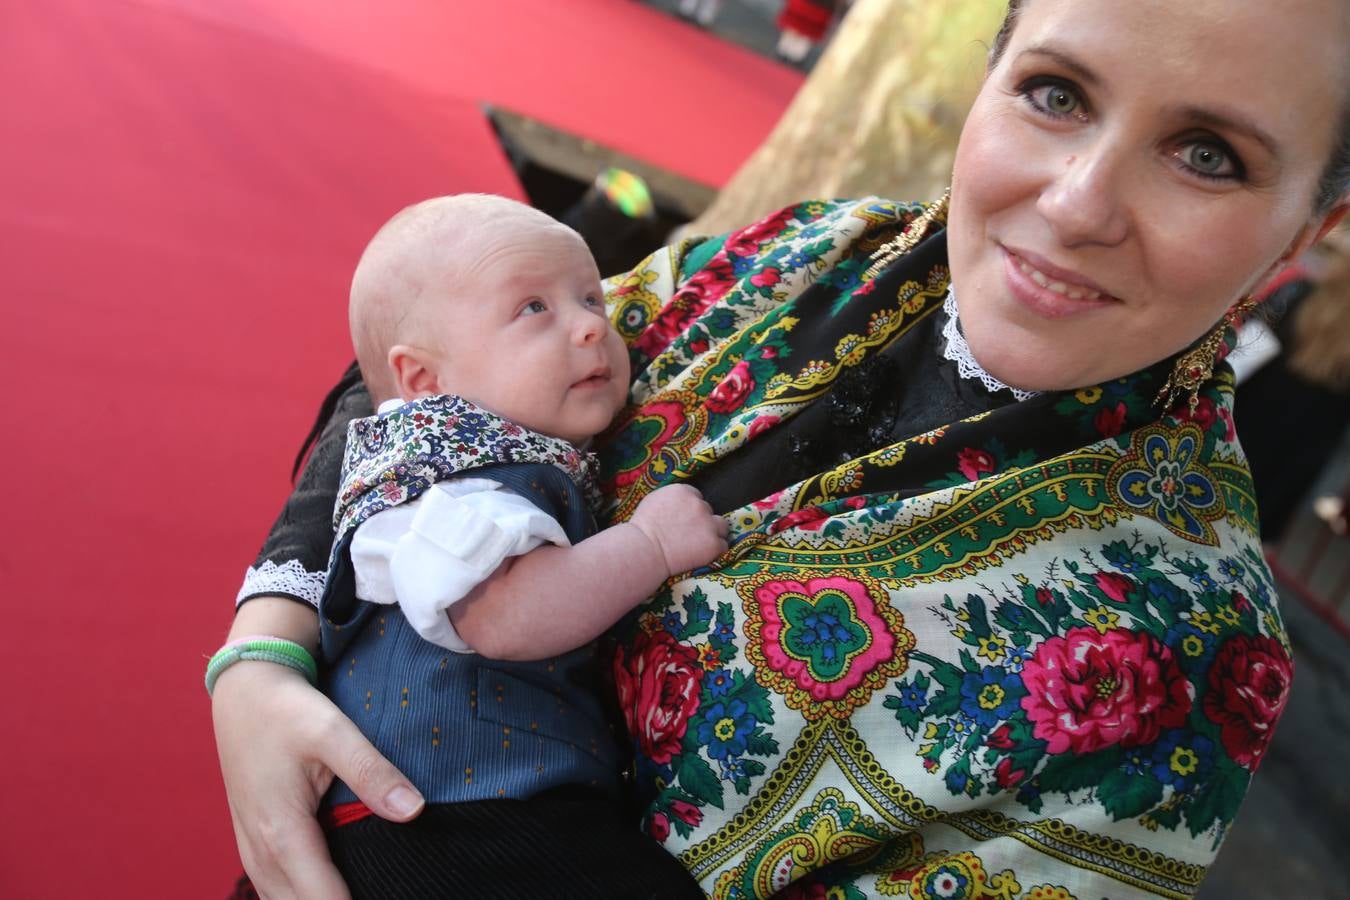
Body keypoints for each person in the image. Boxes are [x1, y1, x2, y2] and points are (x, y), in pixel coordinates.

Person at [210, 0, 1350, 897]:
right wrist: (266, 649)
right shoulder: (806, 252)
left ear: (1315, 225)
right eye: (1055, 93)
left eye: (1207, 155)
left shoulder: (1186, 656)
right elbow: (416, 385)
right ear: (991, 72)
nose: (1077, 201)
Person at [264, 194, 724, 896]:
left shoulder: (483, 454)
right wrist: (651, 545)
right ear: (425, 381)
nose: (588, 329)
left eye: (592, 300)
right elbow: (510, 615)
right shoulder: (447, 478)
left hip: (474, 812)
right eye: (533, 309)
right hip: (455, 819)